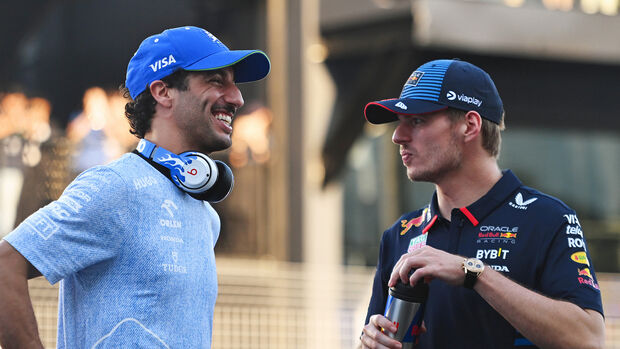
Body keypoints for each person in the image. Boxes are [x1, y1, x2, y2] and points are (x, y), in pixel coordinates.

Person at [0, 25, 270, 348]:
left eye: (234, 83)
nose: (237, 97)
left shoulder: (207, 217)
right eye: (216, 80)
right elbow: (5, 264)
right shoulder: (115, 187)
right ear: (163, 91)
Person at [359, 59, 605, 349]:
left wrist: (473, 272)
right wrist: (369, 342)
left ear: (470, 125)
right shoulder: (399, 235)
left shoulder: (548, 220)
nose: (398, 136)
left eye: (417, 121)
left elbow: (588, 339)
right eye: (400, 123)